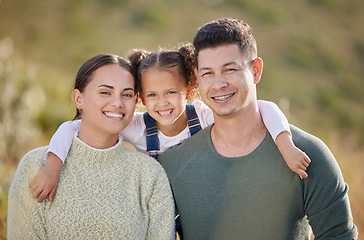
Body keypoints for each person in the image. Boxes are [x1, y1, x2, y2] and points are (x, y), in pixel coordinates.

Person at [29, 45, 311, 206]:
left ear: (188, 90)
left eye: (171, 93)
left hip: (210, 202)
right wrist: (53, 166)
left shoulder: (203, 115)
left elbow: (265, 108)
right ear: (141, 97)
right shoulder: (138, 127)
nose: (162, 103)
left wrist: (285, 144)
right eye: (152, 95)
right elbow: (73, 127)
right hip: (163, 211)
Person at [157, 18, 358, 239]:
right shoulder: (174, 164)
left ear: (256, 70)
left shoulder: (306, 154)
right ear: (197, 78)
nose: (218, 84)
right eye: (207, 73)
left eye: (230, 69)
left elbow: (339, 235)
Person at [7, 54, 175, 239]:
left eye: (127, 94)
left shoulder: (150, 175)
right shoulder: (36, 166)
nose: (117, 103)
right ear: (78, 99)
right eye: (105, 92)